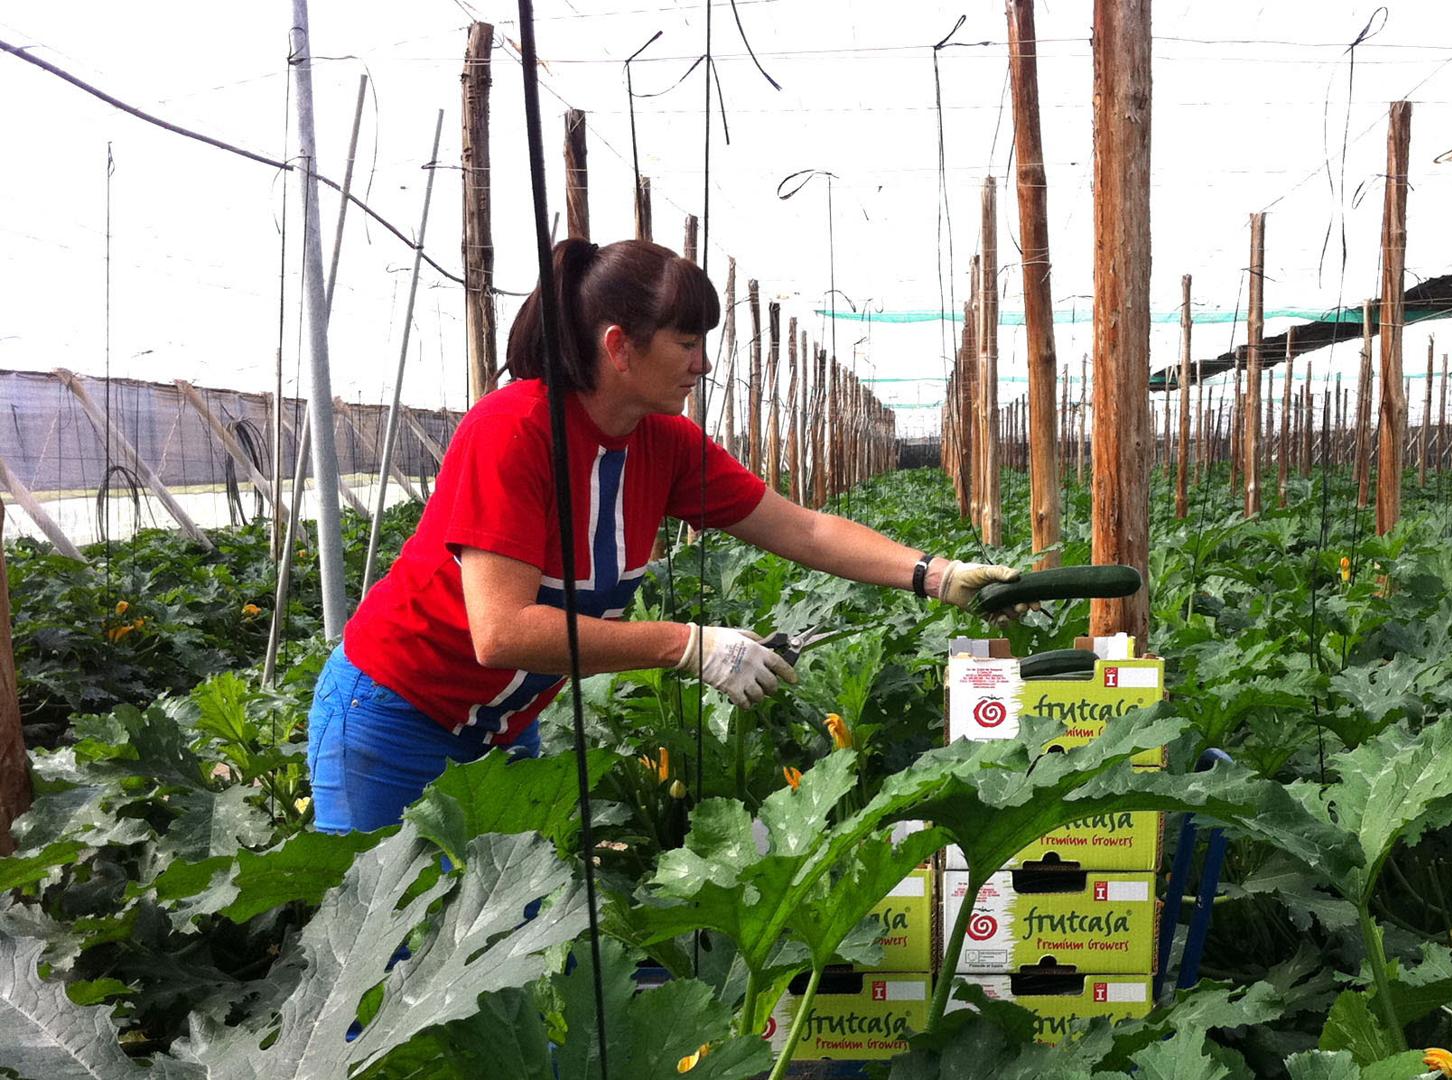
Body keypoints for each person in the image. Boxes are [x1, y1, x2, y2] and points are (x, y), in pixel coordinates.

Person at [307, 238, 1019, 834]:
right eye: (686, 341)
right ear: (620, 347)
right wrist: (685, 644)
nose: (702, 363)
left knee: (496, 955)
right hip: (392, 717)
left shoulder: (665, 445)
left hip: (499, 727)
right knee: (389, 965)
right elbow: (501, 631)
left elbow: (802, 528)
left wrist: (937, 573)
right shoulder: (514, 429)